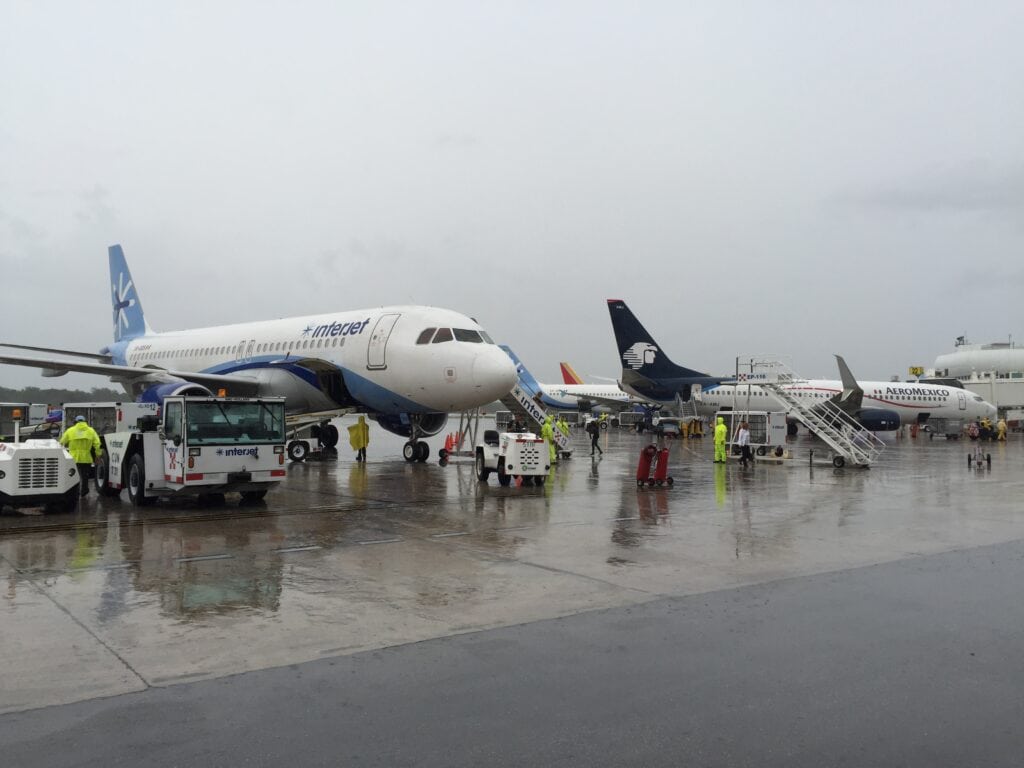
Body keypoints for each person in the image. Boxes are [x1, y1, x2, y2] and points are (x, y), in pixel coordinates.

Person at [60, 415, 102, 497]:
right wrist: (98, 455)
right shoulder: (91, 431)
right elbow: (97, 444)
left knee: (73, 475)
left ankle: (75, 491)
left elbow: (61, 442)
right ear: (85, 422)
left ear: (75, 422)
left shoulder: (70, 430)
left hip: (73, 458)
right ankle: (84, 490)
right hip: (86, 458)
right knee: (85, 475)